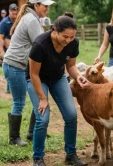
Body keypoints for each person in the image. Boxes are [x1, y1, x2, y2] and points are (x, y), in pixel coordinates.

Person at [27, 12, 89, 166]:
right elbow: (33, 74)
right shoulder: (40, 44)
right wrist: (42, 98)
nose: (68, 40)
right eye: (65, 37)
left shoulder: (73, 44)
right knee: (42, 118)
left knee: (71, 115)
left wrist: (78, 77)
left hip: (58, 78)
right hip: (37, 79)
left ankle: (70, 154)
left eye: (71, 37)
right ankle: (38, 158)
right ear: (55, 31)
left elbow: (71, 66)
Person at [2, 0, 55, 147]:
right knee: (19, 102)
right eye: (45, 6)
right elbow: (41, 44)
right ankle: (14, 139)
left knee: (36, 98)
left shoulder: (31, 18)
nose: (47, 9)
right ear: (36, 5)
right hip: (15, 64)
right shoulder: (31, 20)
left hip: (18, 64)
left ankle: (32, 132)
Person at [0, 3, 18, 93]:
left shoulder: (19, 21)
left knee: (16, 68)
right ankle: (9, 88)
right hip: (8, 49)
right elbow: (0, 37)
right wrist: (2, 51)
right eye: (12, 10)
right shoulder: (4, 23)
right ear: (9, 11)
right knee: (10, 68)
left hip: (17, 47)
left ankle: (11, 87)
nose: (14, 12)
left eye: (15, 10)